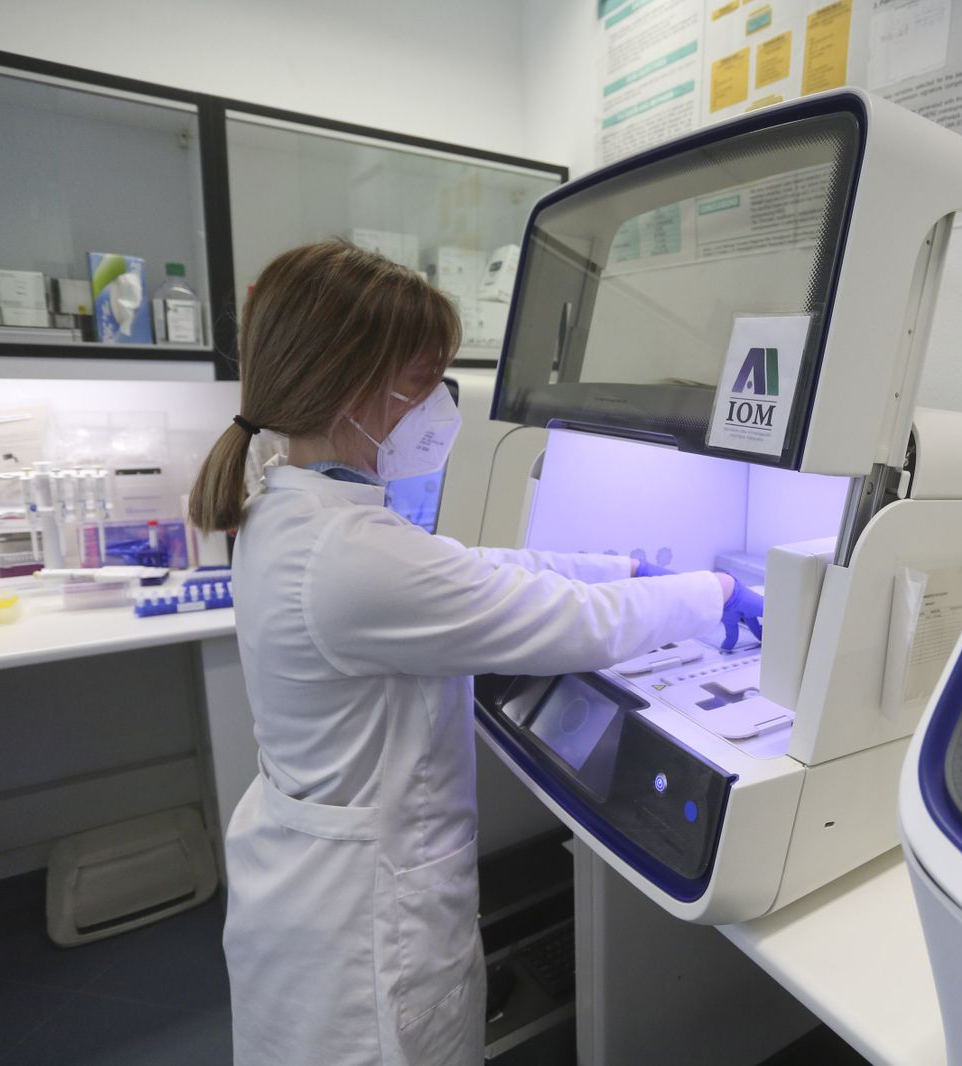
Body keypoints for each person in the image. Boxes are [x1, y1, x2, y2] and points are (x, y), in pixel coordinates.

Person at [188, 240, 762, 1066]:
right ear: (355, 386)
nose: (439, 403)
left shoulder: (297, 506)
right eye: (424, 380)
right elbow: (557, 622)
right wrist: (708, 594)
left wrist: (624, 567)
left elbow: (476, 572)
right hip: (360, 933)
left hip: (315, 880)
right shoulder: (344, 552)